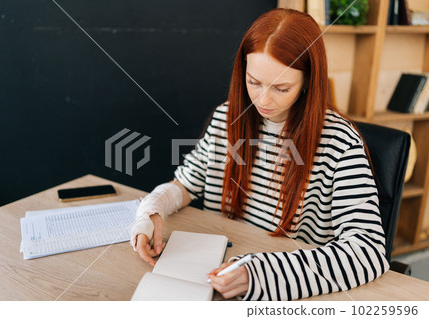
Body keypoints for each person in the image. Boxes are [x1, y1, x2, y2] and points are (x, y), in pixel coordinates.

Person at [130, 8, 388, 301]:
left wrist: (259, 274)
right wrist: (151, 209)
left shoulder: (339, 142)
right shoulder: (227, 117)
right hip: (216, 274)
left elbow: (368, 252)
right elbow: (186, 184)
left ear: (308, 82)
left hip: (290, 293)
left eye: (282, 87)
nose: (263, 100)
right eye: (254, 82)